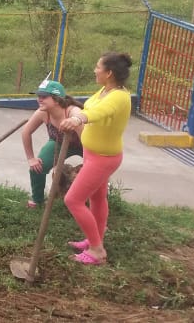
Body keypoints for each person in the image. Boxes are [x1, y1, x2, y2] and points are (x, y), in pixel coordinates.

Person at [59, 52, 133, 266]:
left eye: (98, 67)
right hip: (94, 154)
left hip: (103, 158)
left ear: (109, 73)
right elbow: (93, 107)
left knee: (73, 199)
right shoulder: (105, 90)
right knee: (98, 199)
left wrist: (77, 119)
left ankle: (97, 251)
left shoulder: (119, 97)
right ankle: (94, 239)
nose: (94, 70)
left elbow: (100, 112)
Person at [20, 79, 84, 209]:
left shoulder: (72, 111)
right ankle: (38, 200)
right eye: (38, 96)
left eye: (44, 97)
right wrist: (31, 158)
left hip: (84, 144)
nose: (39, 99)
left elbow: (87, 138)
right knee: (38, 167)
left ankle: (93, 205)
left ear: (57, 99)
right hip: (58, 143)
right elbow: (26, 132)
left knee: (93, 173)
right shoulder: (43, 113)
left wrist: (75, 120)